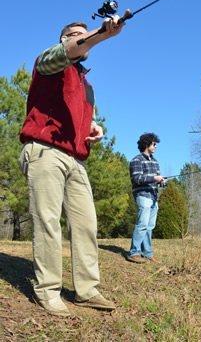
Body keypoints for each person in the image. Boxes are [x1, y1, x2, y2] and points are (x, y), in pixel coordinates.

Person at [19, 16, 124, 316]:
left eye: (84, 33)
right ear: (64, 39)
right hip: (45, 152)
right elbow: (67, 51)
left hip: (76, 160)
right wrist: (101, 34)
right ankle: (48, 290)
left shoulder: (86, 85)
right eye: (75, 34)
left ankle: (87, 290)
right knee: (48, 222)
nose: (82, 36)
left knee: (86, 224)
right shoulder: (49, 61)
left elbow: (75, 115)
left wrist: (93, 127)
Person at [127, 133, 164, 263]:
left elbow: (158, 179)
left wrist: (161, 181)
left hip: (154, 197)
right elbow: (137, 179)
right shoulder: (136, 160)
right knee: (142, 224)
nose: (156, 146)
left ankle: (147, 253)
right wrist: (154, 178)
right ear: (147, 144)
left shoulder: (155, 161)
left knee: (149, 226)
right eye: (154, 144)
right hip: (143, 195)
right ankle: (134, 252)